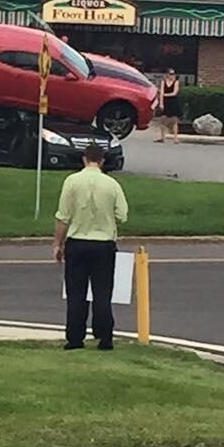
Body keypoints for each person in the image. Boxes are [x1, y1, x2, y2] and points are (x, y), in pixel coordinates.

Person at [53, 143, 129, 352]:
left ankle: (75, 338)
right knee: (102, 292)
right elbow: (122, 215)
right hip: (104, 244)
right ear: (102, 161)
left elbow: (63, 216)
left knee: (76, 292)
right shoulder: (112, 184)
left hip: (77, 243)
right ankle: (105, 337)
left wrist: (57, 244)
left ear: (83, 159)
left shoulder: (72, 182)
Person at [156, 68, 181, 144]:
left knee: (174, 120)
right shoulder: (163, 82)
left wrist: (164, 94)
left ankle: (176, 138)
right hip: (165, 102)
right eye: (170, 74)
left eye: (173, 74)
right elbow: (161, 92)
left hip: (173, 102)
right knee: (162, 119)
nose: (172, 76)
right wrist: (161, 103)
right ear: (167, 75)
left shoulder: (176, 82)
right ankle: (162, 137)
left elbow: (174, 93)